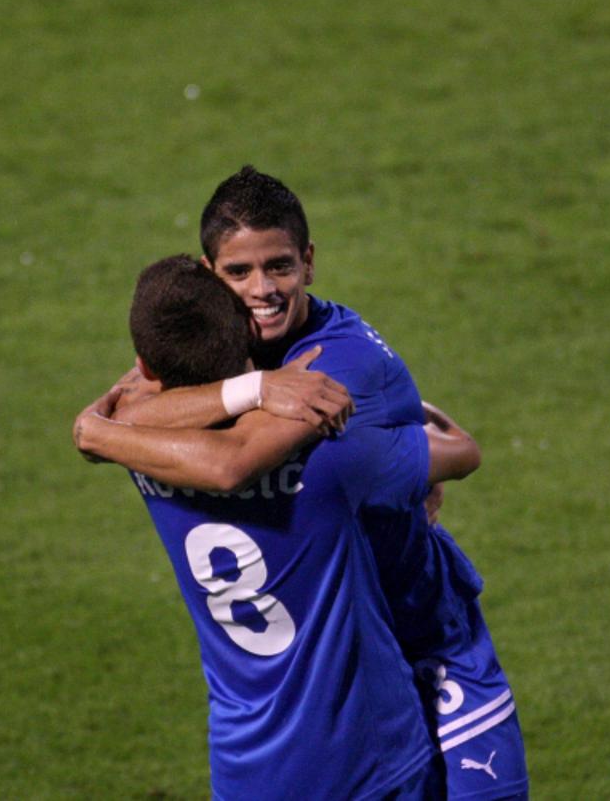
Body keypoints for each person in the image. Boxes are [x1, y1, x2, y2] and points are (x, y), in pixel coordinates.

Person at [78, 167, 529, 800]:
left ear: (309, 263)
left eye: (279, 267)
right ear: (211, 276)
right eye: (239, 273)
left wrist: (96, 433)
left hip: (431, 646)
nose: (262, 290)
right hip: (351, 662)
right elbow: (143, 406)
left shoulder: (336, 363)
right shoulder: (210, 354)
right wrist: (255, 388)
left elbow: (184, 434)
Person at [75, 255, 439, 799]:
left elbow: (124, 404)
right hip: (368, 757)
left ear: (146, 367)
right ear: (248, 342)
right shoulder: (322, 450)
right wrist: (265, 386)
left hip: (247, 765)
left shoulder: (135, 444)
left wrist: (90, 430)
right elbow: (444, 461)